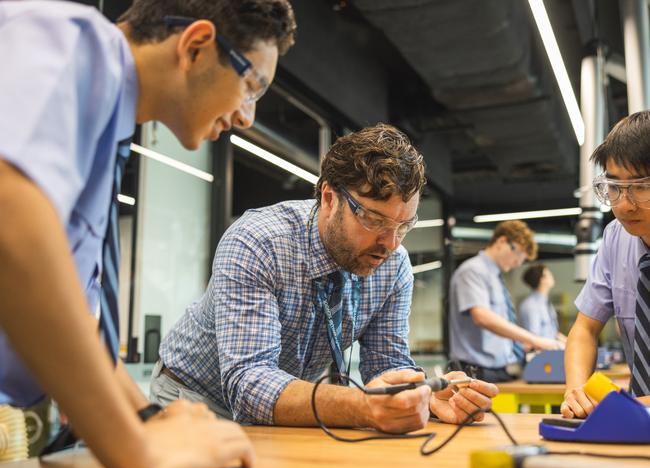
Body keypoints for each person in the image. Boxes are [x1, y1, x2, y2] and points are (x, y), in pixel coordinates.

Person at [0, 0, 296, 468]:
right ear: (196, 46)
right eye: (250, 86)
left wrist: (148, 419)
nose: (246, 116)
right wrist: (139, 452)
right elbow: (10, 229)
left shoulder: (104, 139)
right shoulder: (67, 39)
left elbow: (72, 311)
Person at [152, 124, 498, 432]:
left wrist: (424, 396)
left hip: (278, 408)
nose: (390, 244)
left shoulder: (393, 267)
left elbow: (387, 367)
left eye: (403, 226)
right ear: (330, 199)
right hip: (194, 399)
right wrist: (362, 407)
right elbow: (249, 384)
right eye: (375, 221)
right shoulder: (260, 242)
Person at [563, 111, 650, 418]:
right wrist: (576, 392)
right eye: (614, 187)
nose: (624, 204)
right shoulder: (616, 237)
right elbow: (585, 329)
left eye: (641, 186)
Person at [448, 221, 564, 383]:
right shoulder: (473, 271)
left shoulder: (496, 278)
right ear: (502, 242)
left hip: (497, 370)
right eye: (517, 254)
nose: (518, 263)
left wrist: (517, 344)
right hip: (475, 372)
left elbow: (498, 326)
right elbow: (482, 317)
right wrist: (534, 339)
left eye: (522, 259)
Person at [519, 264, 567, 343]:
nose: (552, 276)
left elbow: (553, 333)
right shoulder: (530, 306)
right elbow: (534, 337)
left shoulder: (546, 303)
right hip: (541, 352)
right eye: (549, 274)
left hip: (551, 349)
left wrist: (569, 343)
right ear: (542, 280)